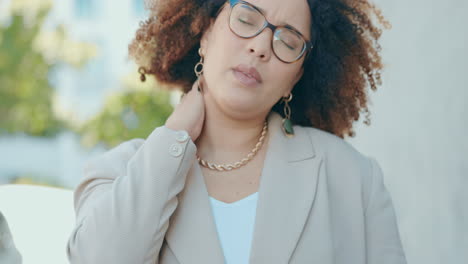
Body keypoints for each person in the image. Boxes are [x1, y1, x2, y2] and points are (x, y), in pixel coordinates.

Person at [67, 0, 407, 263]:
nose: (260, 46)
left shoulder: (354, 179)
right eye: (246, 19)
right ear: (206, 32)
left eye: (288, 41)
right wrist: (174, 137)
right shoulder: (116, 172)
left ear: (297, 78)